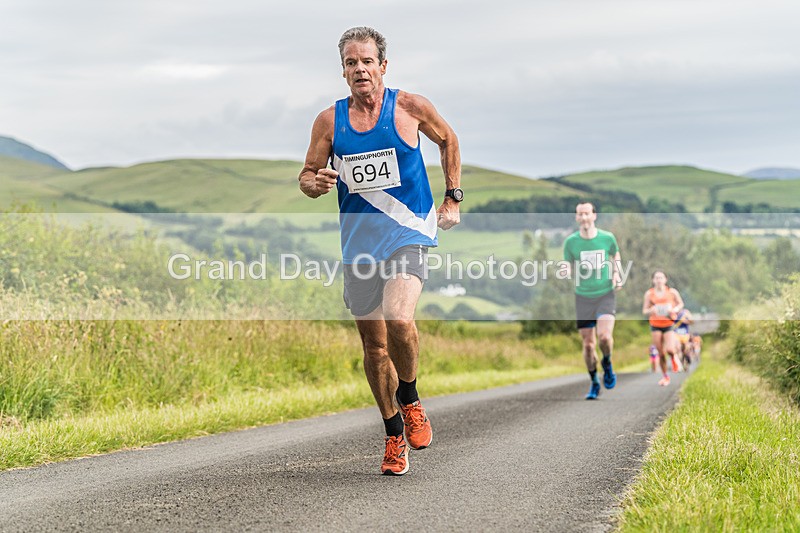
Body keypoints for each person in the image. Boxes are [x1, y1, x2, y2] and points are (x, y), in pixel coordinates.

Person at [299, 27, 462, 476]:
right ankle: (393, 432)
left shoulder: (410, 107)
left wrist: (453, 197)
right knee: (374, 348)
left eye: (367, 61)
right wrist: (315, 182)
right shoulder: (329, 122)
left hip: (408, 233)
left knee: (399, 318)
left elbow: (448, 139)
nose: (360, 70)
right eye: (351, 63)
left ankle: (409, 397)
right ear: (344, 71)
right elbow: (308, 176)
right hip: (359, 245)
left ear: (382, 66)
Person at [563, 202, 623, 400]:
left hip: (605, 293)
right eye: (580, 214)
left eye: (587, 213)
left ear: (594, 215)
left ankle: (607, 361)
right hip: (583, 296)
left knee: (604, 337)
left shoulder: (607, 238)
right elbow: (567, 264)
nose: (584, 217)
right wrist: (565, 270)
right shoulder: (571, 242)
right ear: (577, 218)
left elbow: (616, 256)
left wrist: (617, 274)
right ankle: (594, 381)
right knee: (588, 345)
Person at [643, 271, 684, 386]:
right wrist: (651, 311)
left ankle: (675, 360)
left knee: (670, 349)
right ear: (653, 280)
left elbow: (680, 304)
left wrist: (674, 310)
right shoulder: (649, 294)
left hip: (668, 323)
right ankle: (665, 377)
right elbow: (645, 310)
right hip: (655, 325)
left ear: (665, 279)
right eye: (656, 278)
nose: (659, 280)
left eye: (661, 277)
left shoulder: (672, 292)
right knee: (660, 353)